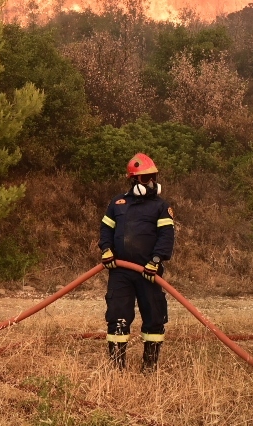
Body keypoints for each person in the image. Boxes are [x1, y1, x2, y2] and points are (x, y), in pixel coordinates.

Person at [99, 153, 176, 372]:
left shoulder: (161, 207)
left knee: (154, 317)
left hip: (149, 272)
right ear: (133, 180)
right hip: (120, 272)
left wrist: (156, 260)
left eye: (153, 177)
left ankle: (149, 366)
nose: (150, 182)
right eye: (145, 179)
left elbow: (166, 237)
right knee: (117, 317)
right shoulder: (117, 203)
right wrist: (105, 249)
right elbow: (106, 229)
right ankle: (117, 367)